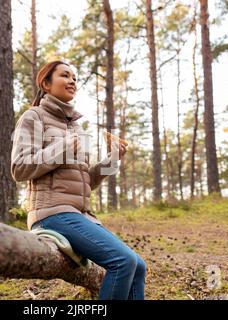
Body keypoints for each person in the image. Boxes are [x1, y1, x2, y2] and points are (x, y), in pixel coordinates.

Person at [10, 60, 147, 300]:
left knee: (138, 267)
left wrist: (112, 160)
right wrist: (61, 148)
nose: (72, 81)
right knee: (122, 262)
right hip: (51, 212)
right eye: (65, 75)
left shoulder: (76, 127)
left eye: (75, 77)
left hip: (79, 214)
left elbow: (86, 181)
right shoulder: (33, 117)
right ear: (46, 83)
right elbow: (19, 168)